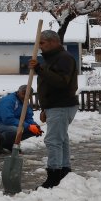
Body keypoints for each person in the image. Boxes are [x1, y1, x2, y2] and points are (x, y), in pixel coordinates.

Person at [32, 29, 79, 188]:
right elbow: (47, 85)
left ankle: (53, 176)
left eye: (42, 43)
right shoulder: (51, 59)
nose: (40, 47)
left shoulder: (64, 58)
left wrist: (39, 69)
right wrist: (45, 109)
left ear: (53, 42)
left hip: (62, 104)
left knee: (53, 141)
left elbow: (61, 82)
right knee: (61, 139)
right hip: (55, 106)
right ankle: (64, 172)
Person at [0, 83, 42, 151]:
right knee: (16, 130)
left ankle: (10, 143)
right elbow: (8, 119)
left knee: (33, 130)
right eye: (23, 94)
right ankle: (1, 143)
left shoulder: (25, 102)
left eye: (28, 95)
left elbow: (28, 117)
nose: (25, 96)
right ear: (18, 92)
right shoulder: (8, 100)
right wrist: (28, 126)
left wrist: (34, 125)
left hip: (14, 124)